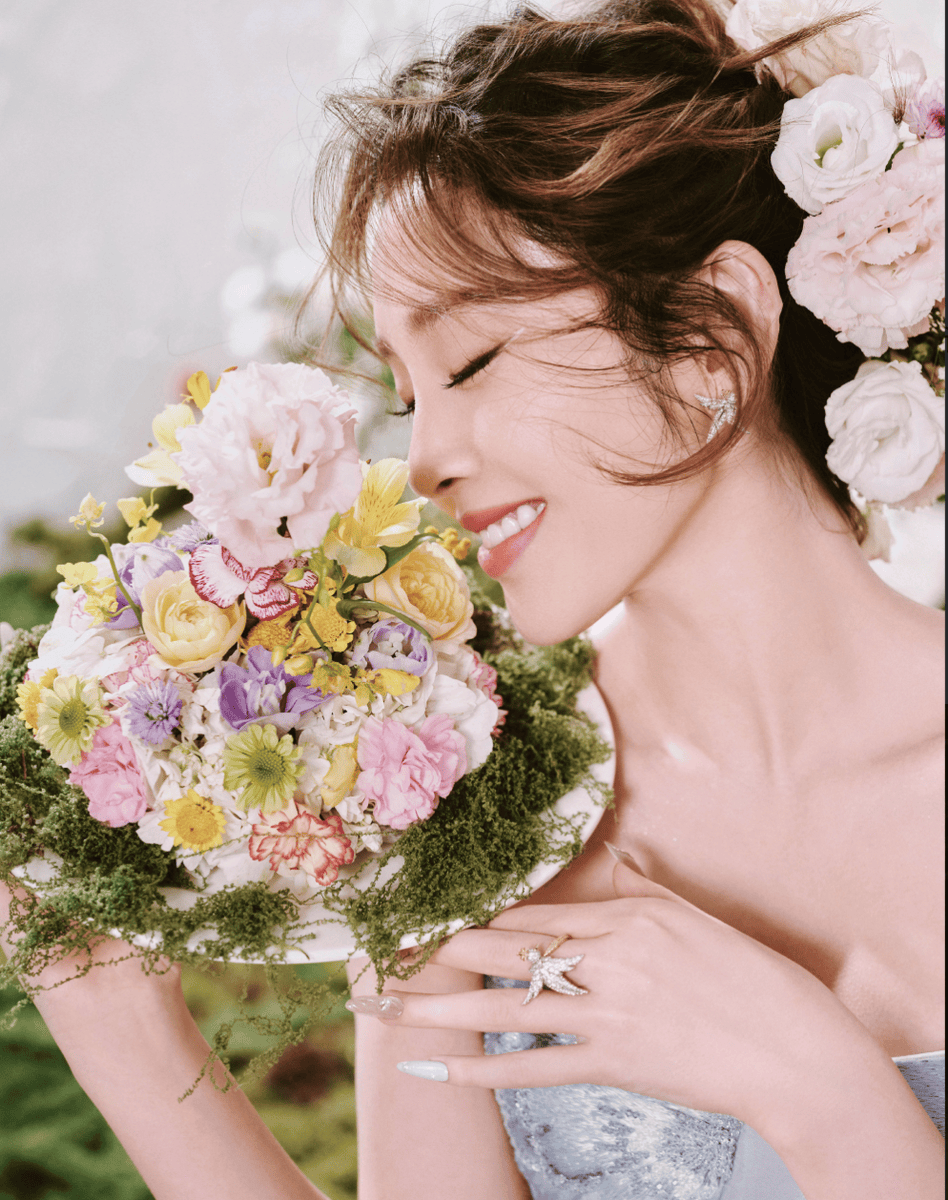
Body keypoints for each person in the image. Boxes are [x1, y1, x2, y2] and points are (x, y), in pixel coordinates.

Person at [1, 1, 943, 1198]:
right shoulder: (472, 816)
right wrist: (115, 1023)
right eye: (409, 394)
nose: (426, 458)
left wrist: (823, 1091)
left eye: (474, 361)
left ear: (715, 330)